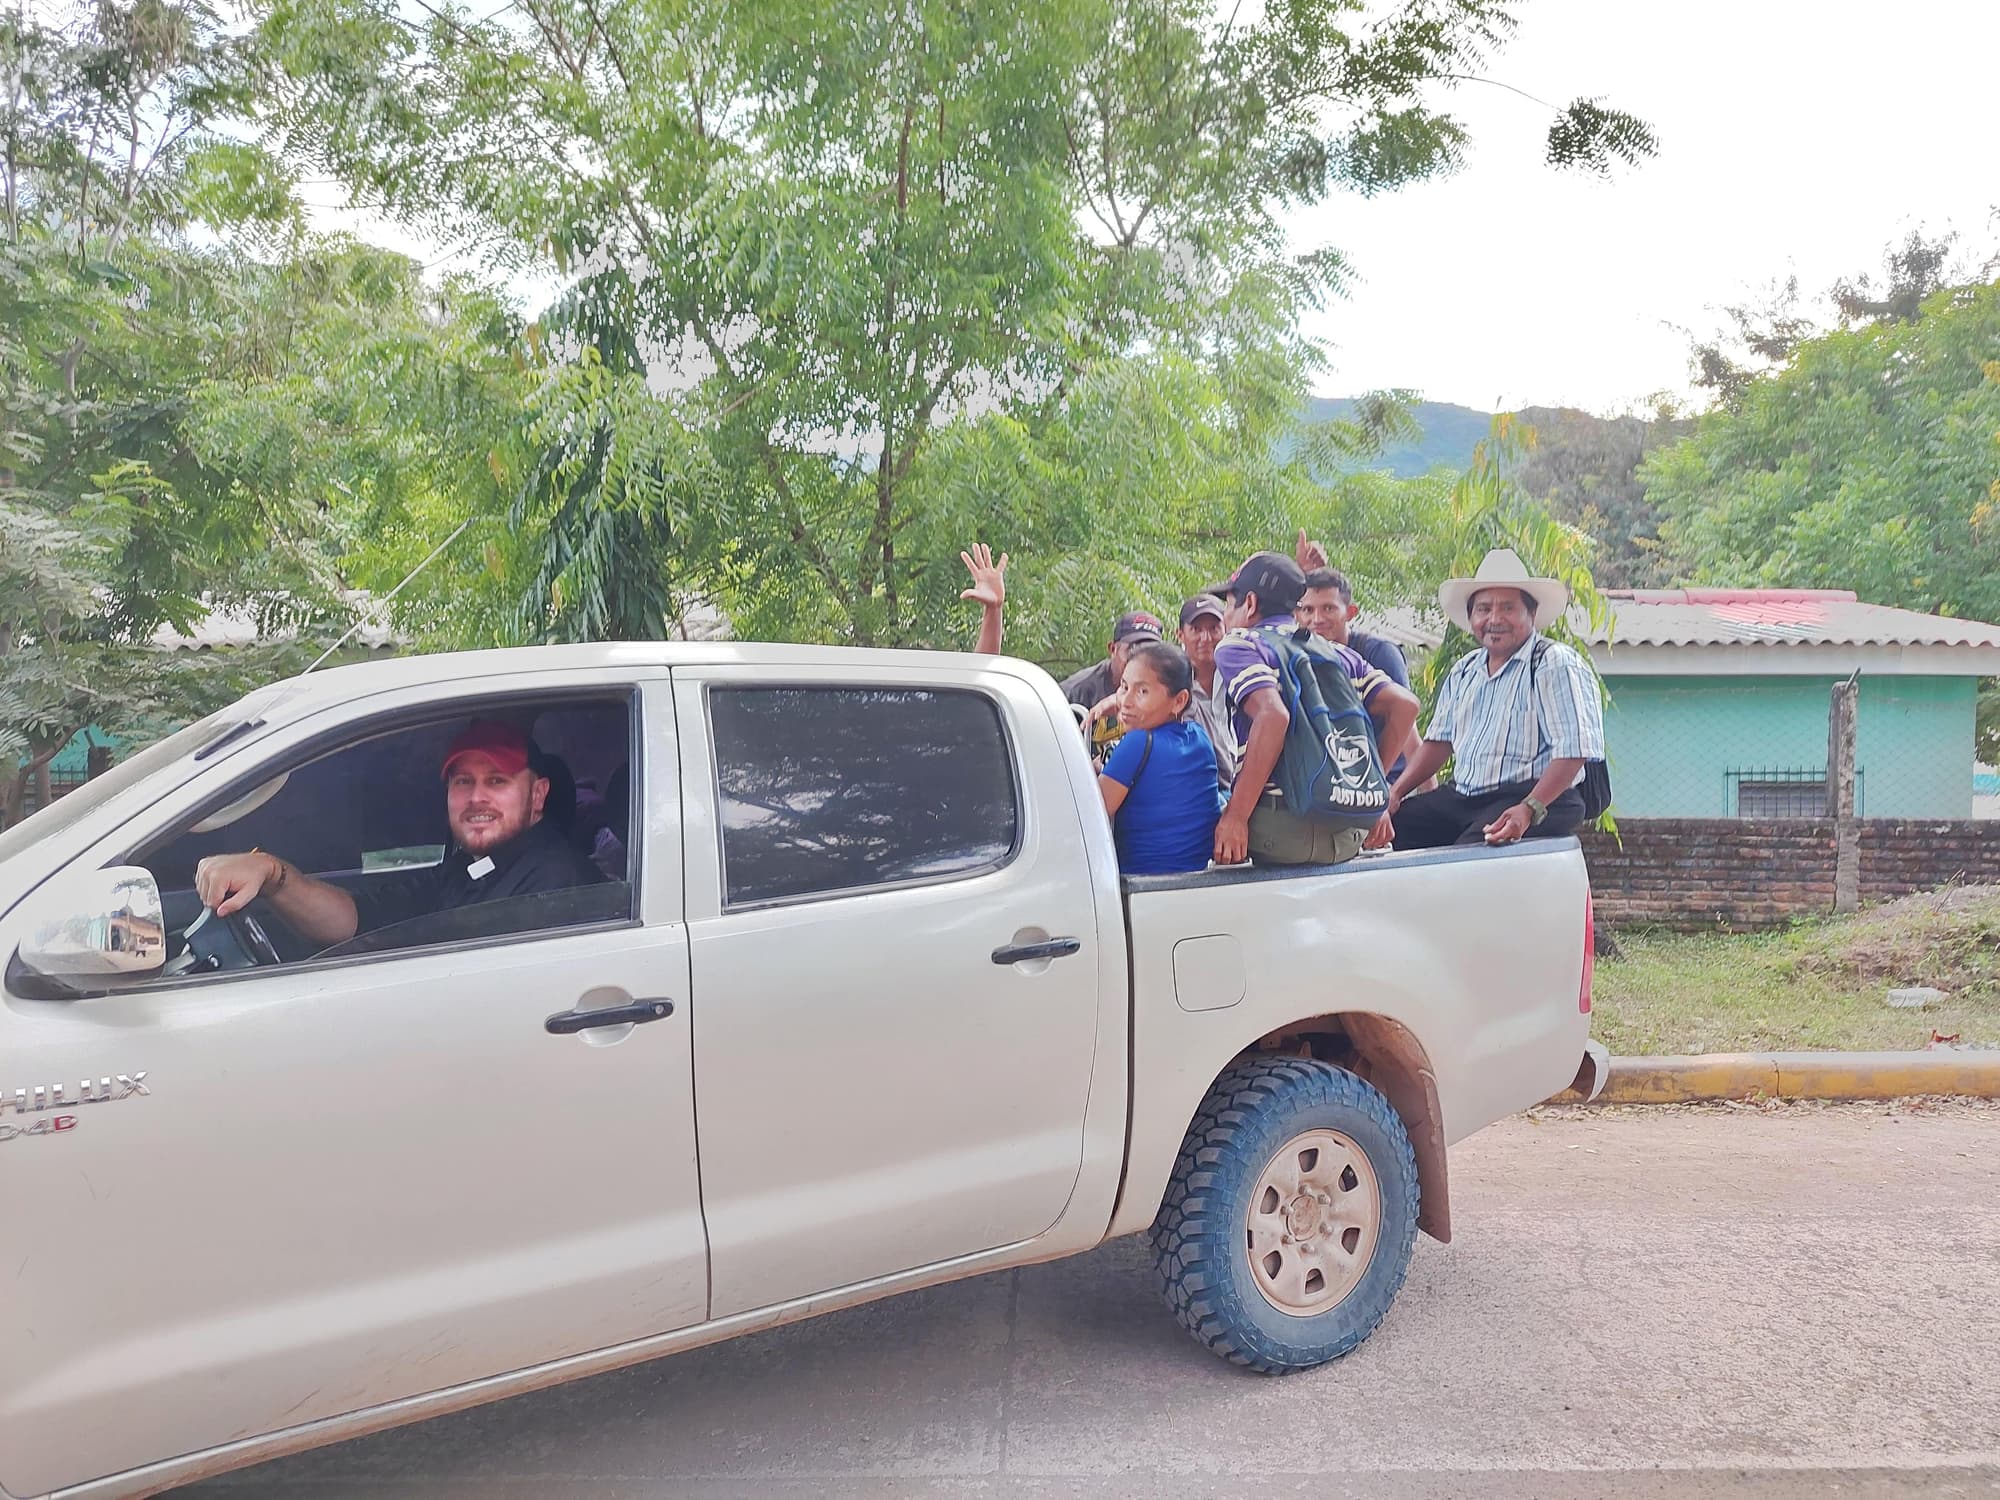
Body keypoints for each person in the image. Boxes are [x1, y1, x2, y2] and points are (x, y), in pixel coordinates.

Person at [192, 719, 603, 949]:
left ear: (538, 794)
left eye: (497, 781)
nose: (477, 797)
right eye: (462, 782)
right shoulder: (469, 870)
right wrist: (272, 872)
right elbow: (356, 921)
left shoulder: (559, 887)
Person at [1384, 548, 1606, 849]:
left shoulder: (1554, 663)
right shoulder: (1464, 671)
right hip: (1464, 796)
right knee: (1391, 831)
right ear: (1471, 617)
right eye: (1484, 609)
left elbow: (1573, 751)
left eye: (1507, 608)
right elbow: (1439, 743)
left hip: (1534, 796)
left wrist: (1530, 808)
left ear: (1532, 613)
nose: (1494, 618)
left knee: (1473, 853)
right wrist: (1395, 793)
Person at [1212, 551, 1420, 866]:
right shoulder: (1336, 652)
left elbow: (1273, 716)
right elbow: (1406, 706)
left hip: (1278, 835)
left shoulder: (1242, 644)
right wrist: (1371, 794)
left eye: (1229, 604)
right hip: (1347, 834)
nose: (1226, 615)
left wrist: (1236, 817)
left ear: (1250, 604)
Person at [1097, 642, 1224, 874]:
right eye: (1124, 687)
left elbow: (1089, 815)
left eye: (1142, 691)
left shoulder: (1138, 743)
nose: (1125, 701)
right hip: (1195, 878)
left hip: (1142, 884)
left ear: (1179, 701)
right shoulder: (1200, 737)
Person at [1177, 593, 1238, 789]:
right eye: (1196, 629)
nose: (1206, 638)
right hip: (1196, 789)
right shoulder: (1171, 682)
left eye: (1214, 628)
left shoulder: (1239, 675)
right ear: (1180, 635)